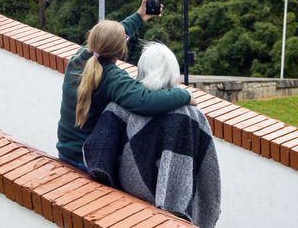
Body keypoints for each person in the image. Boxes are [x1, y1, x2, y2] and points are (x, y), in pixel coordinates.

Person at [83, 42, 221, 228]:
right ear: (173, 71)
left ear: (141, 69)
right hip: (172, 217)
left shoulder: (120, 104)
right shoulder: (190, 114)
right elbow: (208, 169)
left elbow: (97, 156)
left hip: (123, 211)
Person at [56, 0, 197, 172]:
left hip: (64, 152)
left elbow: (109, 38)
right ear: (122, 52)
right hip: (86, 161)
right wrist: (184, 95)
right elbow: (145, 100)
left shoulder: (78, 58)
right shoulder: (113, 78)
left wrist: (139, 16)